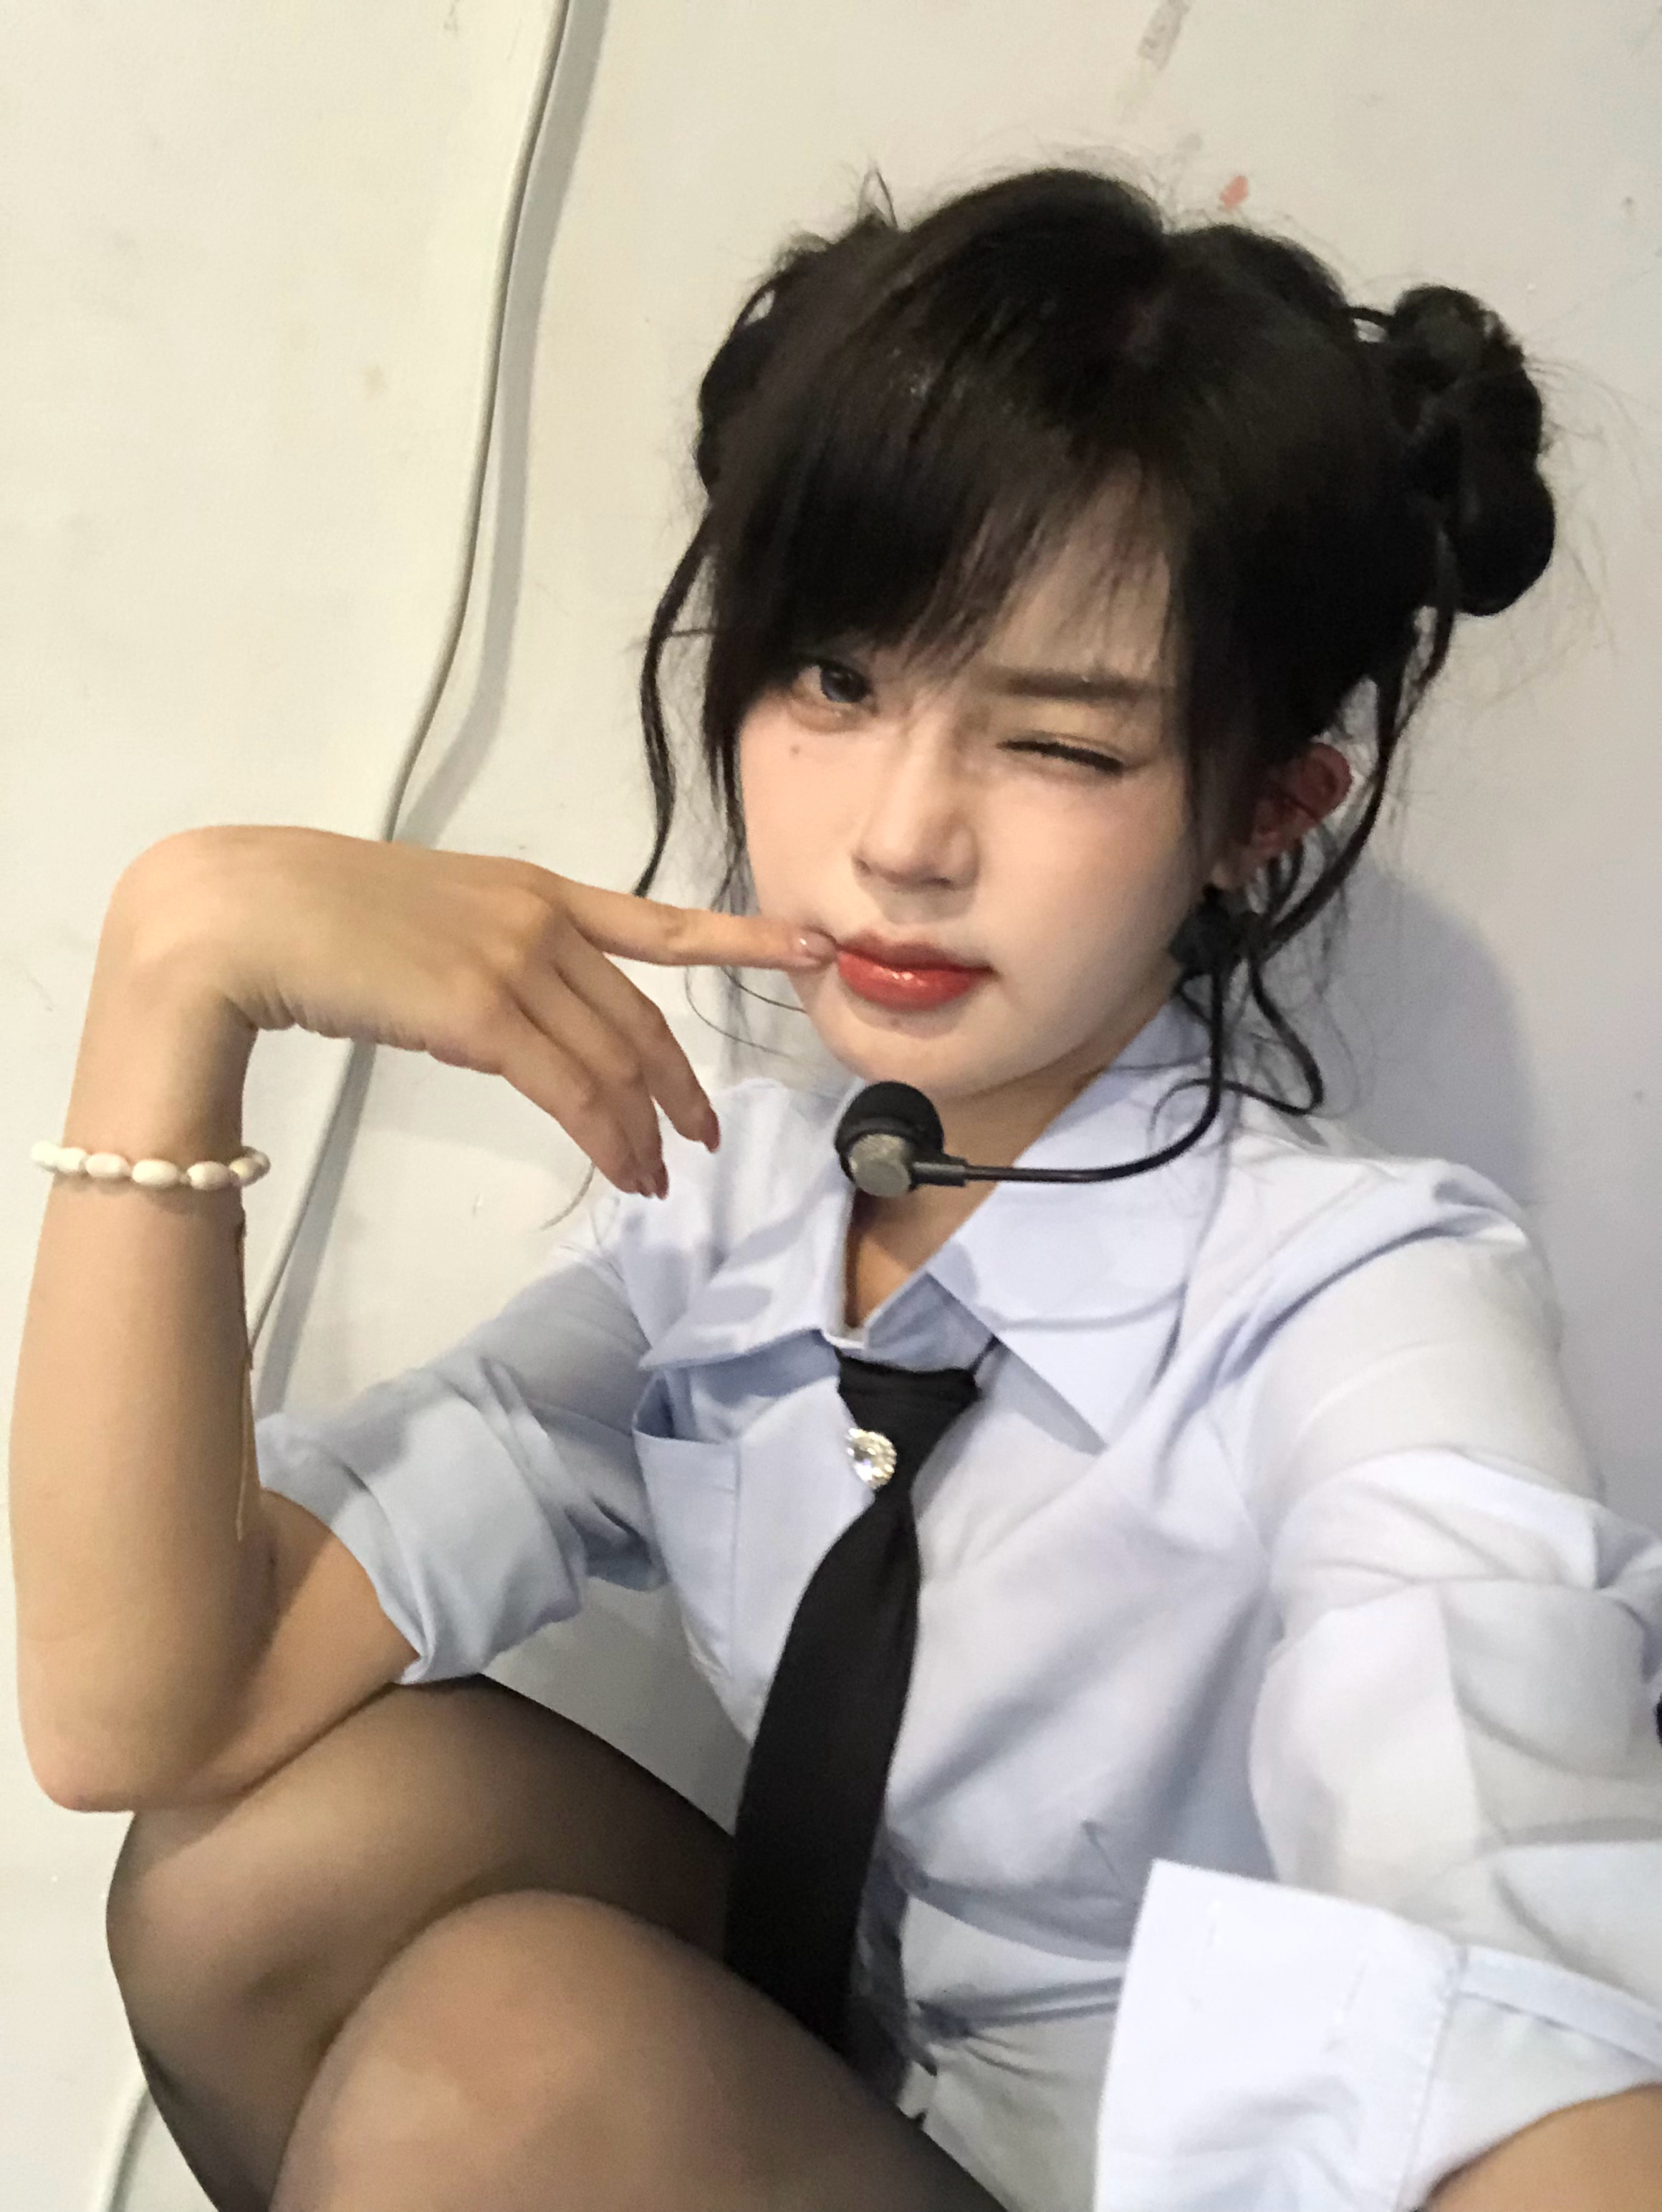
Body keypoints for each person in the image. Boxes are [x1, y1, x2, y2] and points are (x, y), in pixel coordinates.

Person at [13, 167, 1662, 2212]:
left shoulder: (1363, 1297)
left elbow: (1508, 1902)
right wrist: (180, 966)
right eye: (836, 684)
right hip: (873, 2084)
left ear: (1263, 810)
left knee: (503, 2068)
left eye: (1059, 746)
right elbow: (147, 1713)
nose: (902, 837)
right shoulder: (748, 1208)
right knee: (250, 1872)